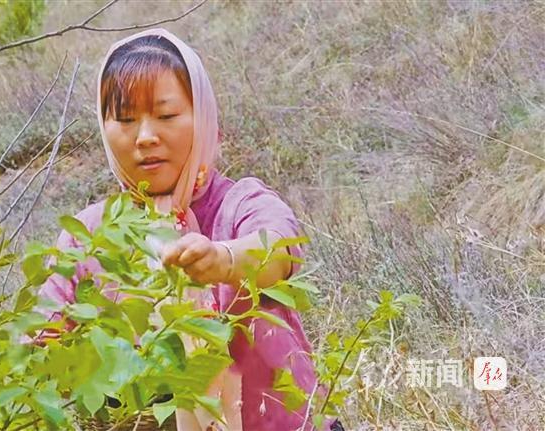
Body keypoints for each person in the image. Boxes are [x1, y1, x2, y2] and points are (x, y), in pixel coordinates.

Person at [34, 28, 340, 431]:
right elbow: (42, 345)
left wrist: (222, 260)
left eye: (166, 116)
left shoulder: (240, 205)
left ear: (203, 117)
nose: (145, 137)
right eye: (125, 119)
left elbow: (278, 251)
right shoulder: (88, 237)